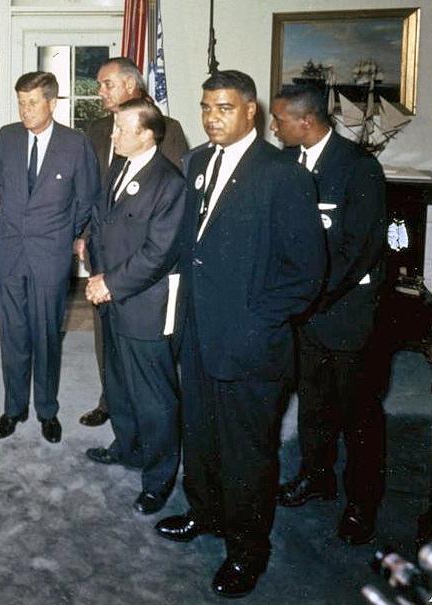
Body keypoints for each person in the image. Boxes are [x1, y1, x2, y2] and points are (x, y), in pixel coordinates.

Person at [154, 70, 325, 598]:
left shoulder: (282, 174)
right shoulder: (199, 161)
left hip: (251, 344)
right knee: (200, 434)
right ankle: (204, 513)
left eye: (224, 108)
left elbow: (307, 272)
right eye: (206, 107)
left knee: (247, 452)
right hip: (200, 332)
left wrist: (256, 320)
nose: (212, 117)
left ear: (251, 111)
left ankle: (248, 551)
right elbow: (191, 244)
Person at [269, 84, 387, 545]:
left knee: (358, 413)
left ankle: (363, 502)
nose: (274, 127)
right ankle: (316, 478)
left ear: (306, 121)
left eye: (279, 120)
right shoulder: (287, 164)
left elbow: (359, 249)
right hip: (306, 314)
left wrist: (308, 297)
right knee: (314, 404)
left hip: (345, 313)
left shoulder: (359, 168)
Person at [83, 98, 185, 515]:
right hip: (109, 295)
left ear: (147, 134)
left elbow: (158, 253)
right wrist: (94, 272)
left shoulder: (169, 183)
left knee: (154, 396)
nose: (113, 135)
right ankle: (126, 446)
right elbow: (101, 221)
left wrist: (109, 282)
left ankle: (159, 479)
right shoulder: (120, 167)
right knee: (119, 382)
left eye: (122, 129)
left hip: (145, 303)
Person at [78, 55, 189, 428]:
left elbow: (165, 201)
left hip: (141, 263)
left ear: (130, 84)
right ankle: (110, 400)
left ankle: (141, 420)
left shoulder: (167, 130)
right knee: (106, 336)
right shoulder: (95, 129)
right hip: (102, 253)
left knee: (144, 354)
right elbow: (93, 192)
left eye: (106, 84)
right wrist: (85, 236)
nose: (100, 92)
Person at [0, 71, 100, 443]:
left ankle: (47, 410)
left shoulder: (75, 144)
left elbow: (87, 199)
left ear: (52, 103)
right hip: (9, 252)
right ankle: (13, 408)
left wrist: (67, 235)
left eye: (33, 102)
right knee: (13, 334)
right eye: (20, 102)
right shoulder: (6, 137)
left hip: (50, 255)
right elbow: (2, 188)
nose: (25, 110)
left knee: (46, 335)